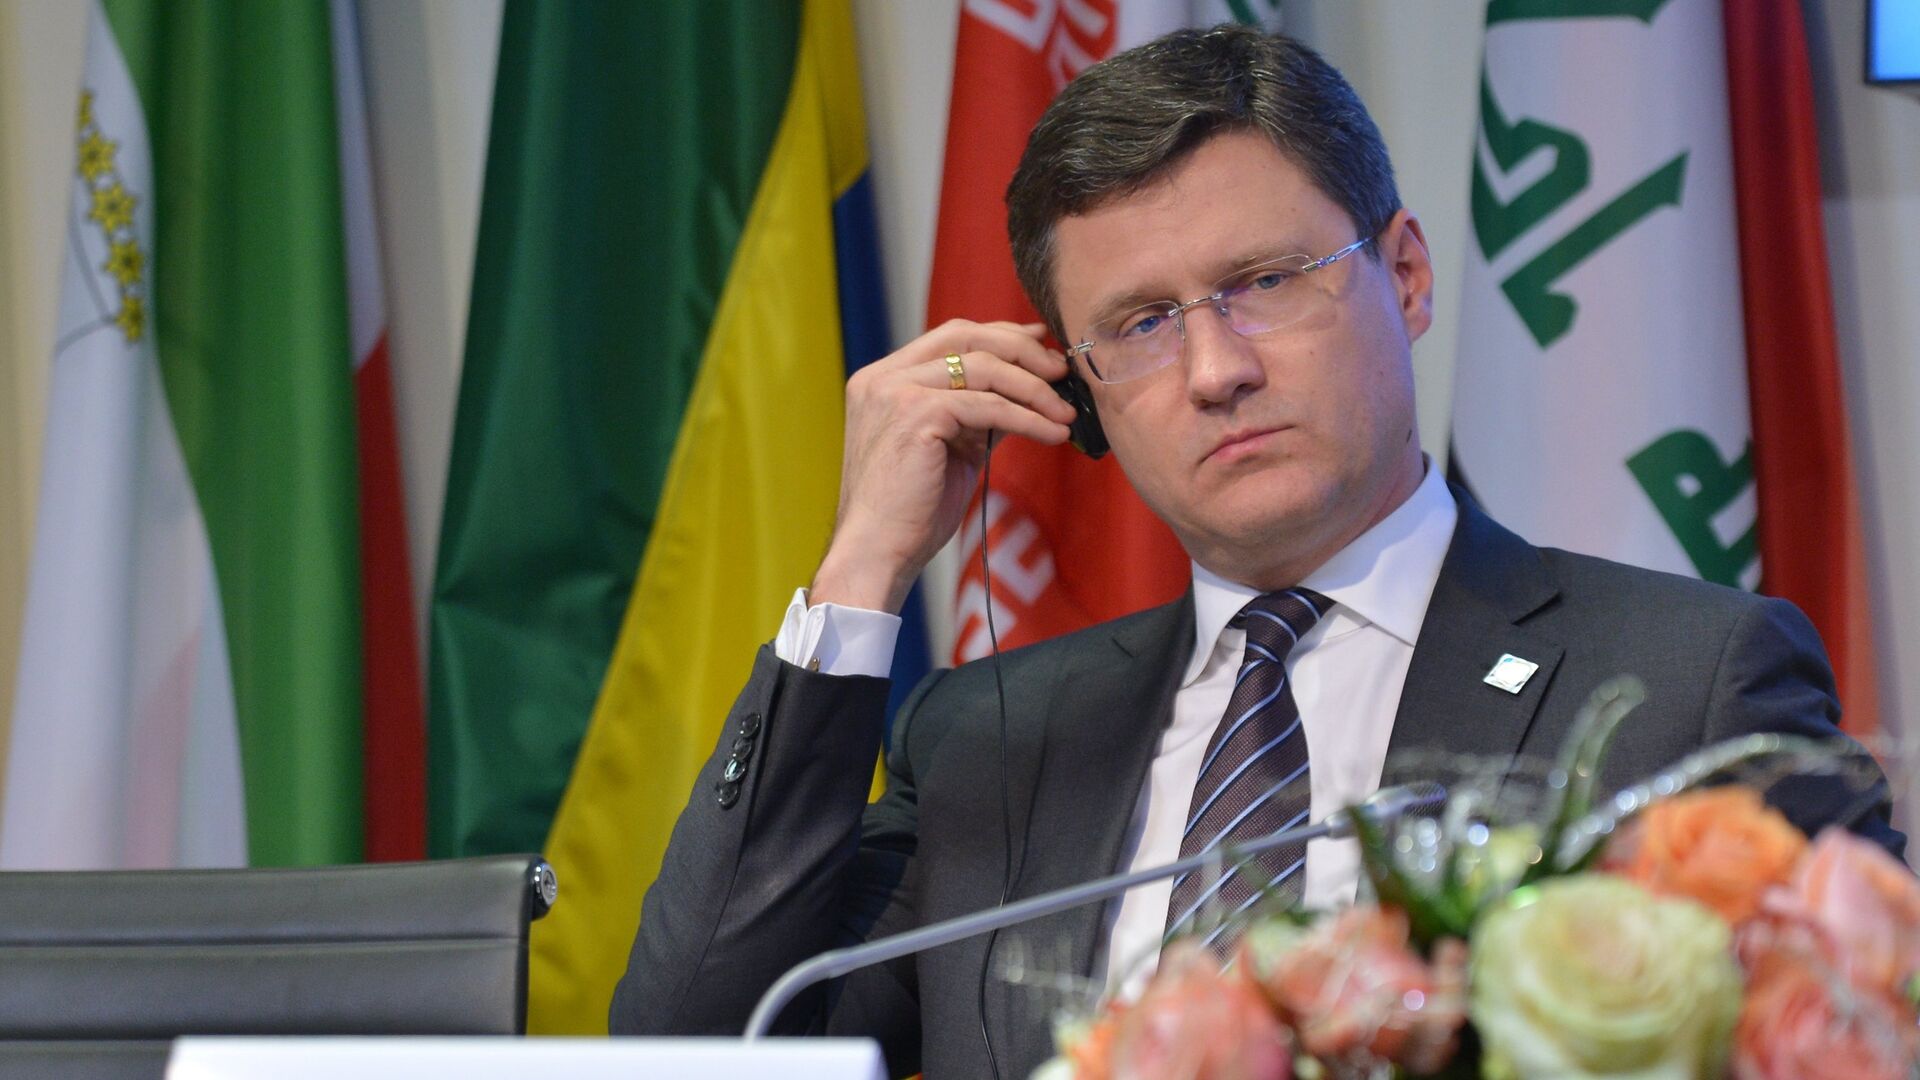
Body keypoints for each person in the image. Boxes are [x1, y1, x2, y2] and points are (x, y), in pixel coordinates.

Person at [609, 24, 1900, 1078]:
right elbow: (696, 1048)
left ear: (1405, 276)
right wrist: (860, 571)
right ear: (1078, 393)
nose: (1216, 369)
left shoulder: (1685, 682)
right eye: (1141, 323)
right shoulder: (991, 741)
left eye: (1267, 282)